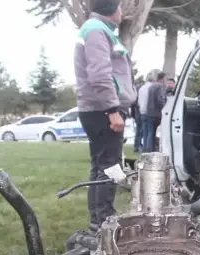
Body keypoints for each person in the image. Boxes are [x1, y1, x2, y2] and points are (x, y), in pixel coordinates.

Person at [73, 0, 136, 233]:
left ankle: (98, 220)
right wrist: (112, 110)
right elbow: (99, 74)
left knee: (101, 166)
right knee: (110, 167)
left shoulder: (98, 30)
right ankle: (104, 221)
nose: (121, 11)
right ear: (111, 9)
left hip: (99, 109)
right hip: (102, 110)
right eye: (119, 6)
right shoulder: (96, 31)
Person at [143, 72, 167, 153]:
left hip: (149, 112)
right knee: (156, 133)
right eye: (165, 79)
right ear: (162, 79)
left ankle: (148, 149)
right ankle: (153, 149)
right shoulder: (160, 86)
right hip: (157, 113)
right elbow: (160, 99)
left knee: (150, 132)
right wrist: (165, 108)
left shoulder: (151, 87)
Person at [135, 70, 157, 153]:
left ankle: (144, 148)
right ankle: (149, 148)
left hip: (142, 111)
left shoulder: (142, 88)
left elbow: (139, 101)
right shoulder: (153, 88)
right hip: (150, 112)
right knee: (151, 131)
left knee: (145, 132)